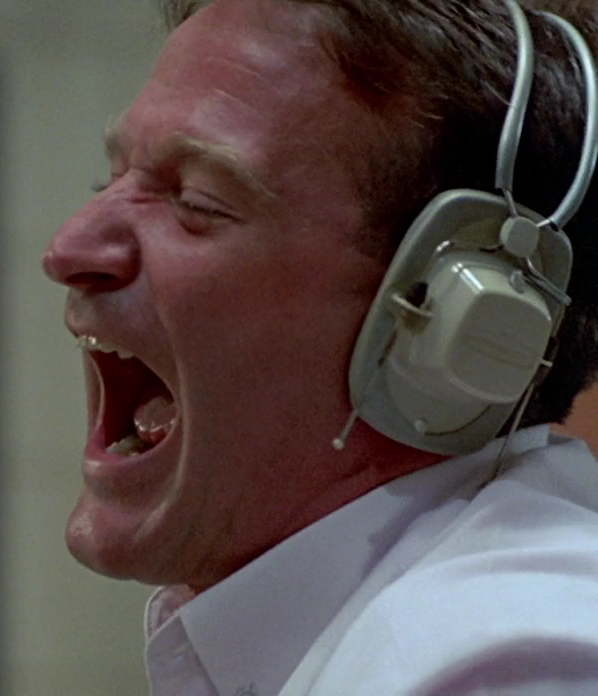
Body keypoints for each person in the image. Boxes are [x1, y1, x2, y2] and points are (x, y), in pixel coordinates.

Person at [41, 0, 598, 693]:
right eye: (111, 178)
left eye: (198, 200)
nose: (68, 249)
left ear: (454, 316)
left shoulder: (505, 659)